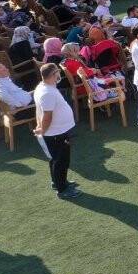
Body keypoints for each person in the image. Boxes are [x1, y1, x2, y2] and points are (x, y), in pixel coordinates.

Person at [33, 63, 80, 199]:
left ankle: (58, 182)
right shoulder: (47, 93)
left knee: (56, 159)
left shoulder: (45, 86)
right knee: (61, 160)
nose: (59, 75)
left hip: (57, 131)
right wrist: (42, 129)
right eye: (57, 72)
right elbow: (47, 116)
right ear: (53, 75)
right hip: (55, 133)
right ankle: (62, 190)